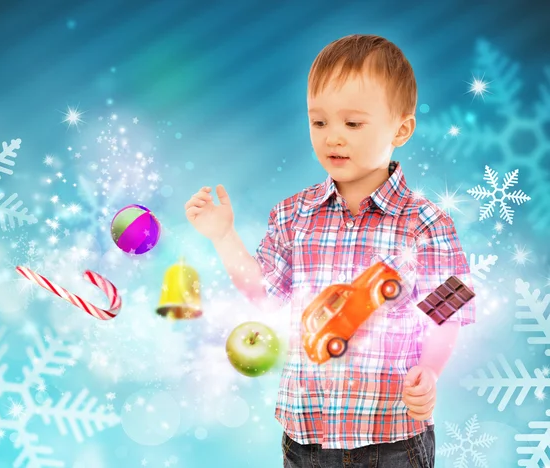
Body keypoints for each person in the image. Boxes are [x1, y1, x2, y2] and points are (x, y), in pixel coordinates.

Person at [184, 34, 475, 468]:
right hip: (306, 442)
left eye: (352, 124)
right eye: (319, 122)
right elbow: (264, 293)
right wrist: (223, 236)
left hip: (392, 441)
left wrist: (430, 370)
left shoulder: (426, 223)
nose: (332, 137)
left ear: (401, 128)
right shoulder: (292, 214)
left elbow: (447, 312)